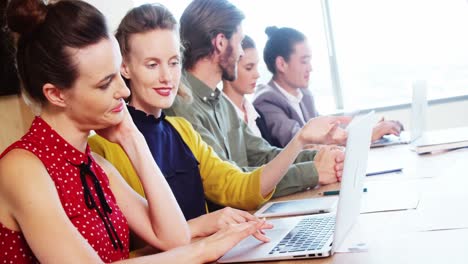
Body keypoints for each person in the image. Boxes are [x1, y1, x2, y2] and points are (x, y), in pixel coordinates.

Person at [0, 0, 269, 263]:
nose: (124, 90)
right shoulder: (21, 168)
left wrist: (132, 138)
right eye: (106, 83)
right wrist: (203, 249)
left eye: (118, 74)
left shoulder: (95, 165)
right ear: (56, 94)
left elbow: (174, 237)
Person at [89, 2, 346, 231]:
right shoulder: (101, 149)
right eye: (152, 64)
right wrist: (204, 228)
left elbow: (239, 186)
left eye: (174, 62)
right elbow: (128, 248)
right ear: (124, 66)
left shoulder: (181, 130)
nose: (167, 77)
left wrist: (300, 140)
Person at [165, 0, 348, 199]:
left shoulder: (221, 102)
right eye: (239, 42)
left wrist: (320, 158)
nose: (241, 52)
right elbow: (232, 182)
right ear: (220, 43)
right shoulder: (181, 106)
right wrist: (312, 171)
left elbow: (263, 155)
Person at [254, 26, 404, 148]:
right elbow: (302, 143)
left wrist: (370, 129)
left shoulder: (304, 95)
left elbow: (328, 131)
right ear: (281, 64)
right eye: (304, 61)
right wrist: (367, 135)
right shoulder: (266, 100)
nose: (310, 68)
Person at [222, 35, 265, 139]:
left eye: (256, 66)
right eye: (249, 68)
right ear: (228, 67)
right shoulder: (219, 116)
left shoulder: (256, 115)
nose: (257, 74)